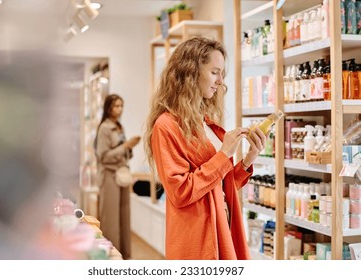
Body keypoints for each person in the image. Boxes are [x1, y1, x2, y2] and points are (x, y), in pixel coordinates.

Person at [144, 37, 266, 260]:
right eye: (214, 72)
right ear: (191, 72)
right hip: (197, 236)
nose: (220, 81)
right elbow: (180, 192)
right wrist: (224, 154)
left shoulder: (205, 121)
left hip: (222, 225)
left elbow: (219, 183)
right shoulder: (166, 126)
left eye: (222, 74)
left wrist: (248, 159)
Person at [94, 94, 141, 260]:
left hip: (122, 175)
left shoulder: (119, 127)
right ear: (108, 108)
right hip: (109, 177)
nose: (119, 109)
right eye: (116, 106)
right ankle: (110, 258)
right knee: (111, 219)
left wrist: (129, 147)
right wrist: (126, 146)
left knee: (124, 217)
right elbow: (103, 156)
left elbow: (124, 153)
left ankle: (124, 256)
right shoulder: (105, 128)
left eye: (121, 105)